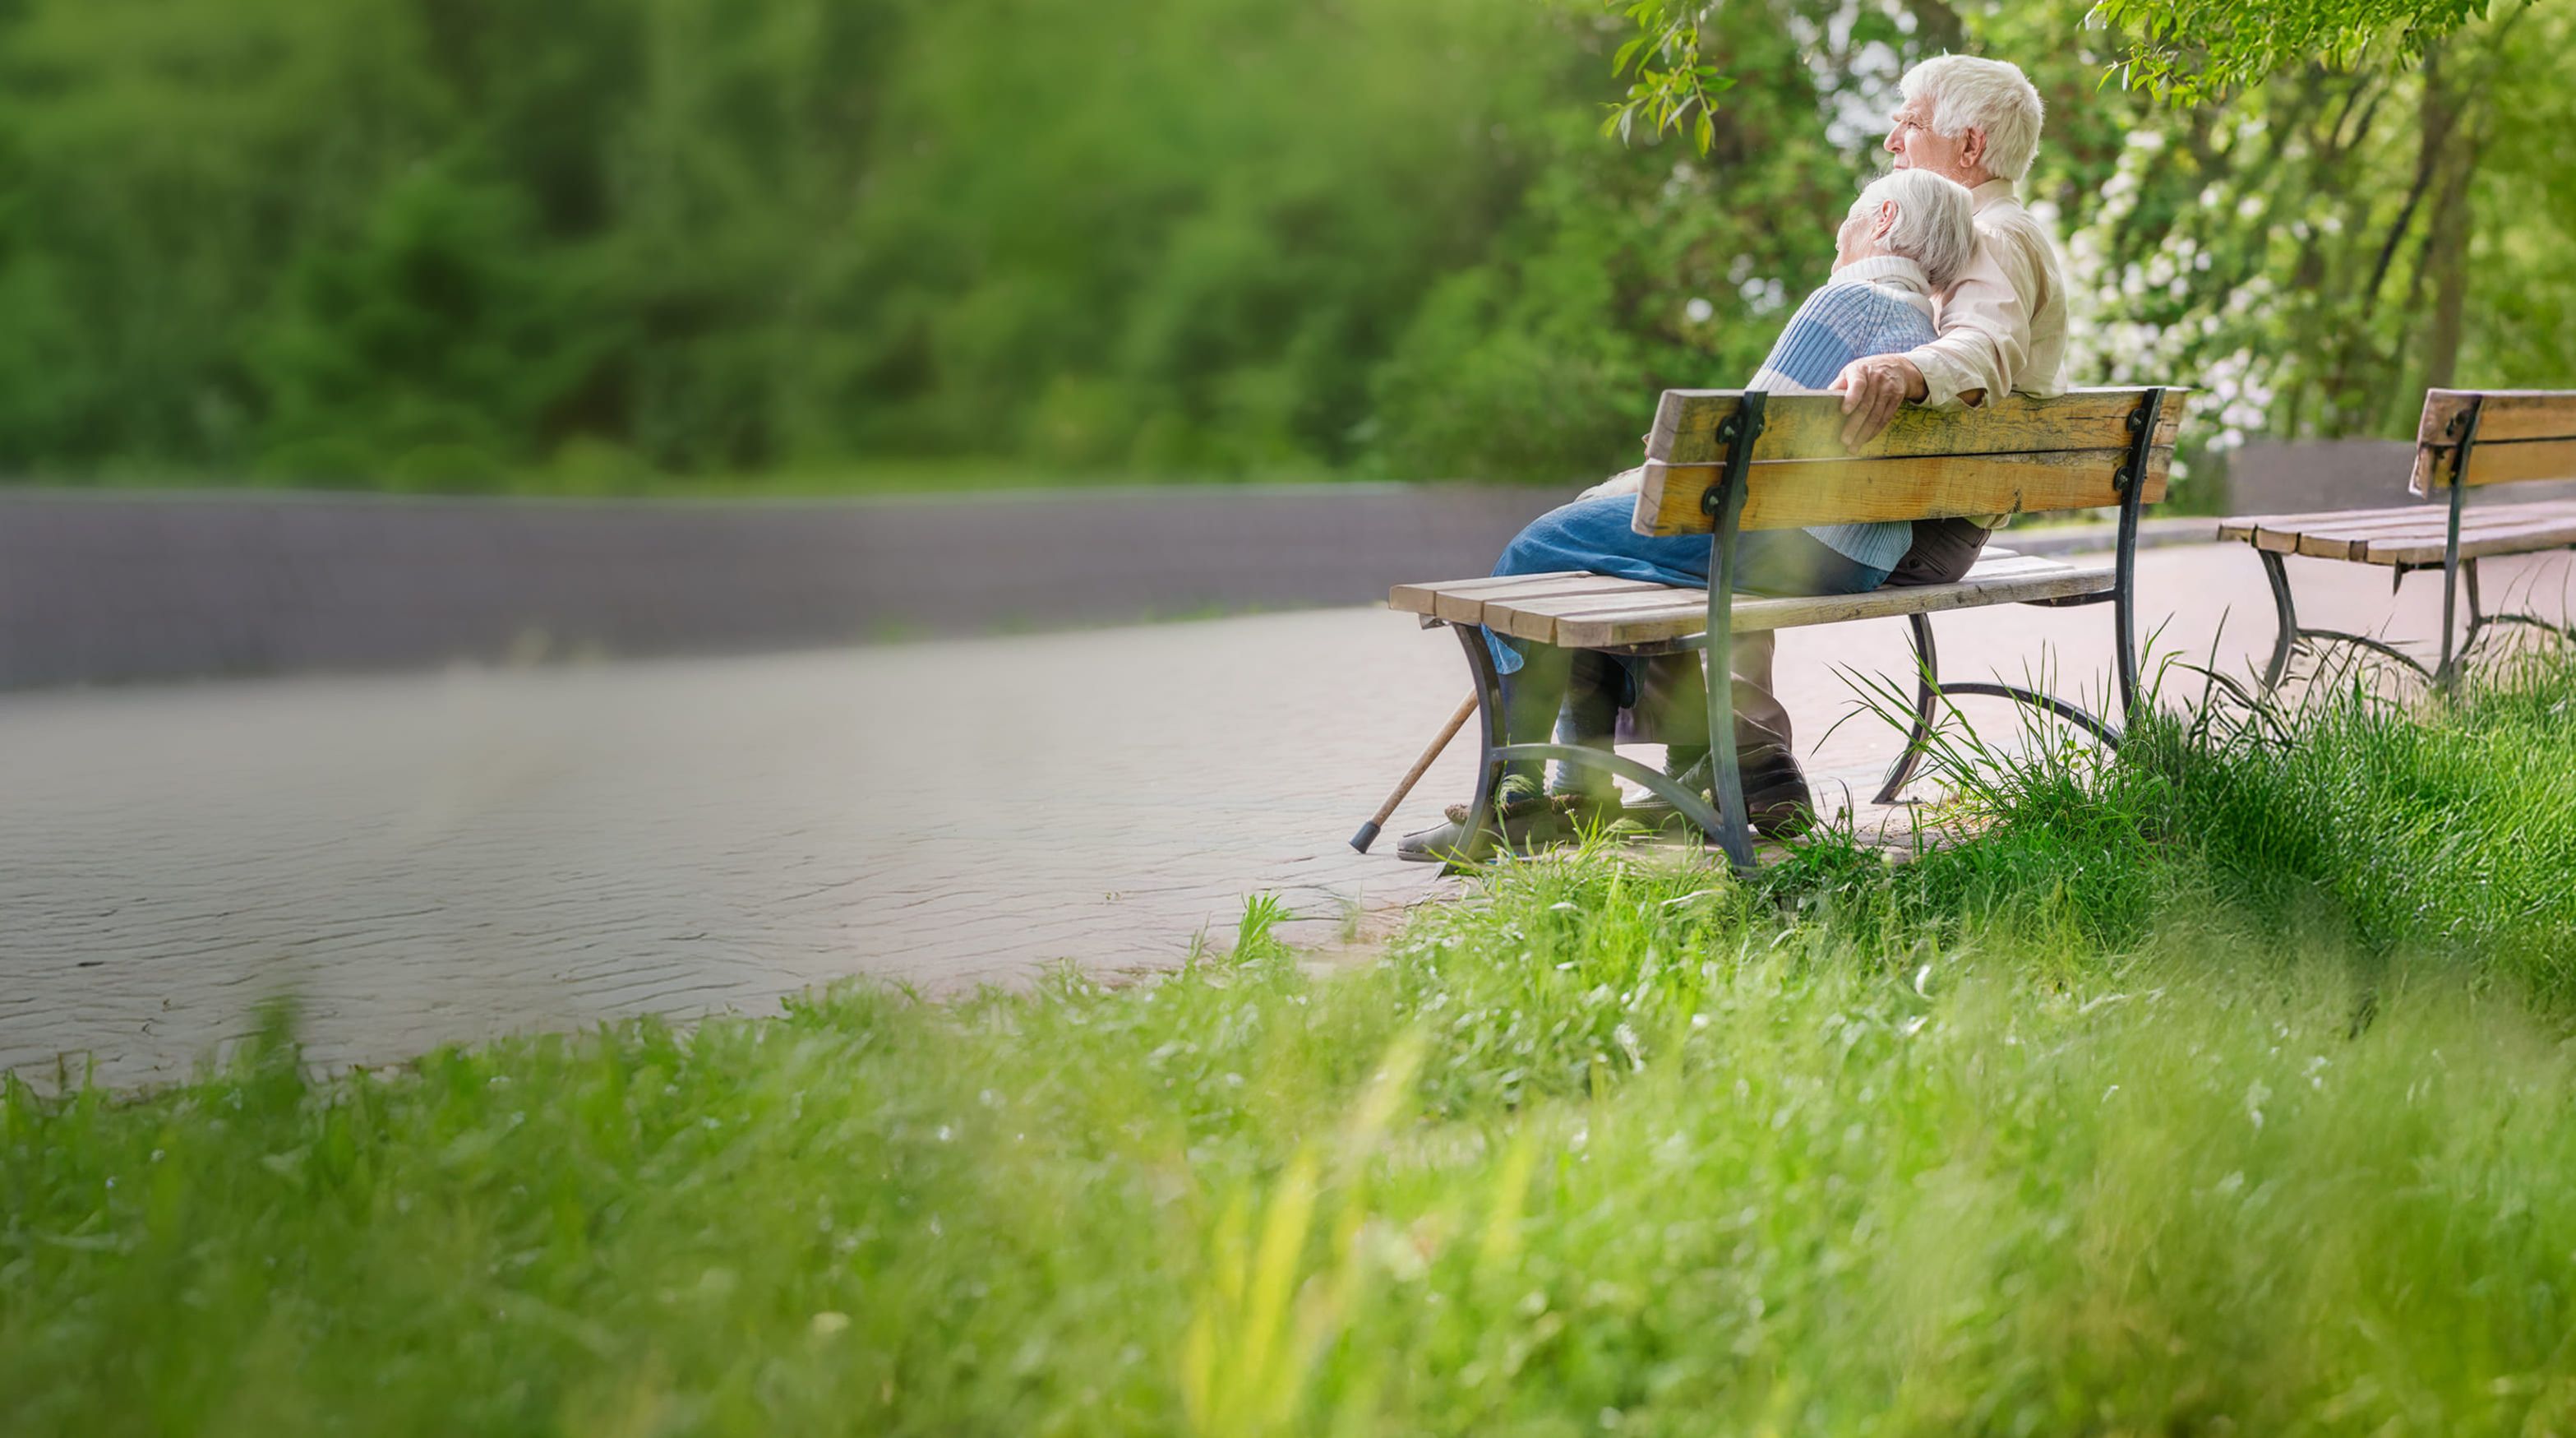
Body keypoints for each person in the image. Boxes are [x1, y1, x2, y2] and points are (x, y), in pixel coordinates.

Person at [1399, 169, 1978, 862]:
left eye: (1848, 219)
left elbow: (1741, 452)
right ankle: (1575, 787)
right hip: (1861, 558)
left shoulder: (1848, 303)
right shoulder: (1924, 332)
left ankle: (1513, 798)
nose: (1840, 234)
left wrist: (1646, 476)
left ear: (1882, 219)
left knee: (1536, 549)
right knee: (1600, 562)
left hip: (1787, 542)